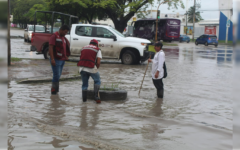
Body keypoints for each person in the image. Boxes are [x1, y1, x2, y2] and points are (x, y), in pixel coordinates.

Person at [77, 39, 102, 104]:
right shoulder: (97, 49)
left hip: (82, 68)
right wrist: (97, 68)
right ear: (96, 44)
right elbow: (98, 62)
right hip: (91, 67)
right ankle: (97, 98)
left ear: (90, 43)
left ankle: (84, 100)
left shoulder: (83, 48)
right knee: (97, 81)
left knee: (84, 85)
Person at [49, 25, 71, 95]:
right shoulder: (54, 36)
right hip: (56, 59)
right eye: (65, 32)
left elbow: (64, 49)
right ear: (61, 30)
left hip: (62, 59)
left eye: (67, 32)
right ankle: (54, 90)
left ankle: (56, 89)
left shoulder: (63, 38)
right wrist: (52, 59)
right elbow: (51, 48)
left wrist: (66, 56)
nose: (65, 33)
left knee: (59, 75)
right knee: (56, 75)